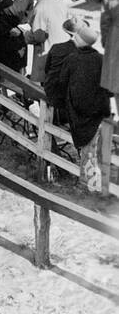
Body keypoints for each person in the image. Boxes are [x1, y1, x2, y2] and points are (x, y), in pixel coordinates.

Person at [43, 21, 112, 191]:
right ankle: (92, 181)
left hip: (77, 110)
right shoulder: (101, 59)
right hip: (97, 110)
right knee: (93, 148)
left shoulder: (72, 59)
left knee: (87, 148)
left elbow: (62, 82)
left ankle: (87, 185)